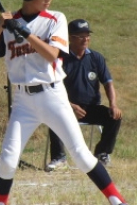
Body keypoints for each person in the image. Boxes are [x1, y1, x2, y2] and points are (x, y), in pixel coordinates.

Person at [0, 0, 137, 205]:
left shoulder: (56, 19)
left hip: (52, 95)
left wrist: (25, 33)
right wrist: (1, 27)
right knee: (7, 160)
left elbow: (53, 54)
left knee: (81, 155)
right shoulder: (9, 23)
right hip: (23, 101)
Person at [46, 18, 122, 171]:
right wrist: (70, 106)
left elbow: (108, 83)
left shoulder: (96, 58)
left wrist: (113, 105)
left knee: (114, 117)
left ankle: (102, 154)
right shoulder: (60, 58)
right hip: (66, 107)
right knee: (53, 116)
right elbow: (50, 88)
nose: (85, 39)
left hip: (91, 108)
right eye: (80, 36)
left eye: (87, 35)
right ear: (70, 38)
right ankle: (59, 158)